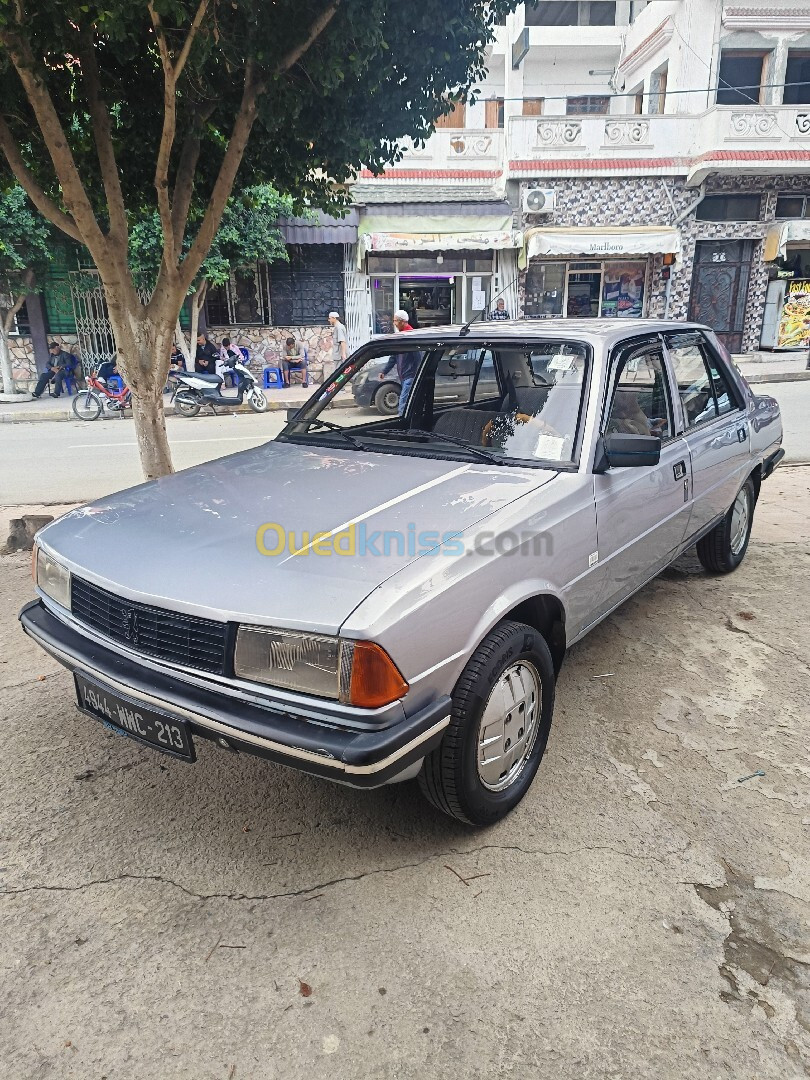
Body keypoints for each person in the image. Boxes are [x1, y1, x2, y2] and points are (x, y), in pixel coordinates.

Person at [379, 309, 417, 416]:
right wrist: (384, 371)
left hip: (410, 375)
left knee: (403, 402)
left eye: (396, 321)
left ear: (403, 321)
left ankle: (401, 423)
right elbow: (393, 356)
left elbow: (418, 357)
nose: (394, 323)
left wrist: (417, 374)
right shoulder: (401, 336)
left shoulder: (410, 336)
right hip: (404, 375)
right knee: (407, 401)